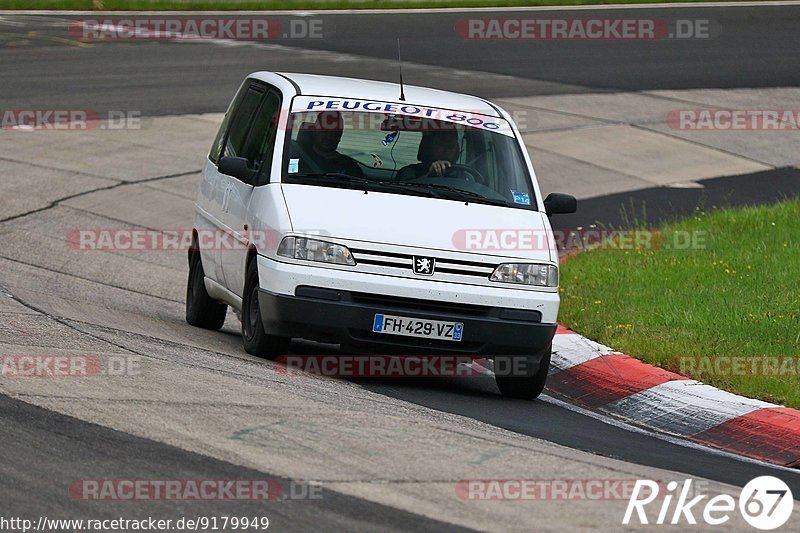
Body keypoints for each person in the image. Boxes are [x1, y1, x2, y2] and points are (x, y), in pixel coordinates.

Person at [293, 111, 364, 177]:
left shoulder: (350, 166)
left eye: (334, 133)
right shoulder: (296, 157)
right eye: (325, 131)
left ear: (339, 137)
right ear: (315, 132)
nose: (329, 136)